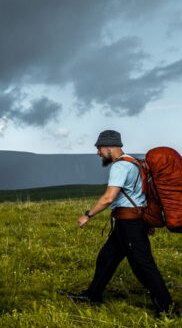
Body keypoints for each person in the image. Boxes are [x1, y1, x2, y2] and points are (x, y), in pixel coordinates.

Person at [69, 130, 175, 316]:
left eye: (99, 148)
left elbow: (109, 197)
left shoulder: (119, 167)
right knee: (106, 258)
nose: (98, 153)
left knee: (143, 265)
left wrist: (88, 215)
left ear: (109, 147)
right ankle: (93, 295)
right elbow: (142, 195)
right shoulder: (136, 164)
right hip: (129, 222)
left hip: (129, 224)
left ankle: (167, 309)